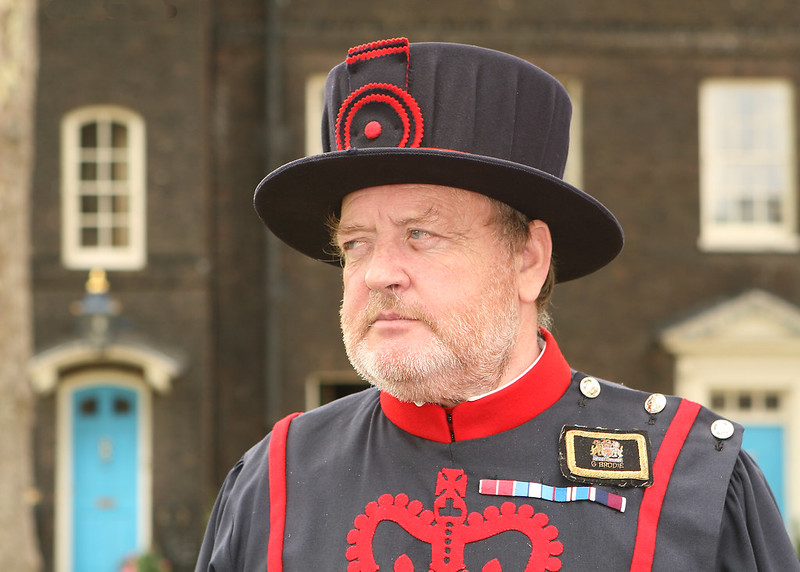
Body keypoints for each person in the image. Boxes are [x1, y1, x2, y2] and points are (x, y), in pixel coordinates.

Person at [196, 37, 799, 571]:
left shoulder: (689, 478)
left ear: (528, 260)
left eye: (421, 235)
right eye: (356, 244)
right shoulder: (274, 480)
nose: (378, 273)